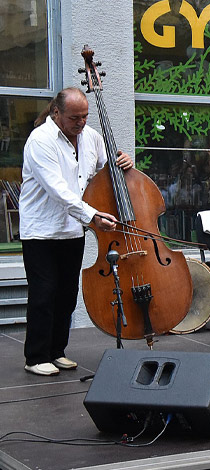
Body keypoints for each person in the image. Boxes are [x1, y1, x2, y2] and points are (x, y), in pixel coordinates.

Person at [19, 87, 133, 376]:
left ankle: (57, 351)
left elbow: (109, 167)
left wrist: (124, 162)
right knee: (44, 293)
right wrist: (93, 215)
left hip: (72, 230)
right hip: (41, 232)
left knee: (67, 295)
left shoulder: (91, 137)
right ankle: (35, 356)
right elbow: (58, 190)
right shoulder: (40, 141)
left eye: (84, 116)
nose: (81, 123)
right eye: (74, 118)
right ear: (56, 113)